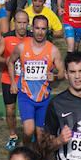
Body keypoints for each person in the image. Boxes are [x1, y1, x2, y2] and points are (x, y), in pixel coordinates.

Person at [8, 15, 66, 148]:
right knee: (28, 130)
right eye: (37, 28)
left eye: (43, 29)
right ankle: (26, 150)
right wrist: (12, 82)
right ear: (32, 28)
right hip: (26, 96)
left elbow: (63, 73)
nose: (40, 32)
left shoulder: (53, 50)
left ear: (47, 30)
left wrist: (55, 77)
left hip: (44, 98)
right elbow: (10, 62)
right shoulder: (22, 47)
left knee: (40, 137)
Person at [0, 10, 29, 150]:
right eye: (18, 22)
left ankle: (29, 132)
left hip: (29, 80)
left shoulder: (33, 38)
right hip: (9, 79)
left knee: (28, 109)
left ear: (28, 24)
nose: (21, 26)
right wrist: (7, 60)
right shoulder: (6, 38)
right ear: (14, 23)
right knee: (10, 110)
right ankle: (13, 135)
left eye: (24, 22)